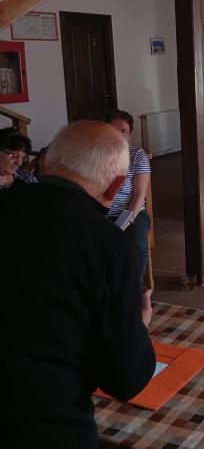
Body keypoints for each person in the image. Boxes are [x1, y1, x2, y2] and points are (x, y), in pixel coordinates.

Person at [0, 121, 156, 447]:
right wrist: (139, 326)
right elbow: (125, 380)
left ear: (43, 163)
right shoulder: (107, 244)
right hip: (44, 429)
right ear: (116, 187)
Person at [105, 110, 151, 283]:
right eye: (113, 130)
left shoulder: (137, 155)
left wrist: (123, 222)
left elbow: (139, 195)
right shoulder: (97, 155)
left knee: (137, 245)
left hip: (133, 213)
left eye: (123, 130)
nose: (117, 135)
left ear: (130, 133)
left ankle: (133, 290)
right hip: (103, 211)